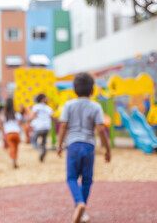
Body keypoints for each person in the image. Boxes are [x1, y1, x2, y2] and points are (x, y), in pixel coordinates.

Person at [57, 73, 111, 223]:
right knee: (87, 180)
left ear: (74, 89)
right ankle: (82, 209)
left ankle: (78, 203)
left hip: (73, 145)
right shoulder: (96, 106)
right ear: (93, 90)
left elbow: (63, 126)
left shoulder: (68, 105)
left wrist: (59, 145)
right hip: (88, 146)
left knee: (72, 177)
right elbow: (100, 129)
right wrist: (108, 149)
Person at [0, 97, 23, 168]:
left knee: (11, 147)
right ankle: (15, 160)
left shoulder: (4, 115)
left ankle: (12, 159)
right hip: (17, 133)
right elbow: (20, 123)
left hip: (9, 133)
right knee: (16, 147)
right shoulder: (17, 114)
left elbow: (0, 122)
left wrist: (3, 109)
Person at [30, 93, 53, 162]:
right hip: (47, 127)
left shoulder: (36, 107)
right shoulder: (48, 108)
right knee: (44, 143)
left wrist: (29, 123)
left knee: (33, 140)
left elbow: (33, 116)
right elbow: (51, 117)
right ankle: (42, 156)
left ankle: (39, 149)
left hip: (39, 127)